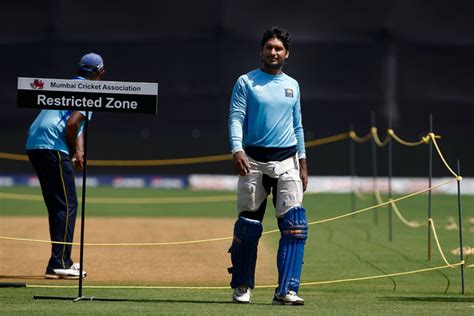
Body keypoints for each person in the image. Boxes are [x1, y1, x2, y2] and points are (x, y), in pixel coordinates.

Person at [227, 27, 308, 305]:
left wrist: (303, 160)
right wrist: (237, 148)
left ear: (287, 54)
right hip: (253, 160)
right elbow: (236, 117)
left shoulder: (292, 85)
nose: (273, 52)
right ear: (261, 50)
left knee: (296, 227)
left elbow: (297, 125)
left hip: (287, 160)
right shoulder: (246, 82)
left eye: (278, 49)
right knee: (248, 226)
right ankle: (241, 285)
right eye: (269, 47)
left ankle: (286, 290)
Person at [26, 52, 105, 279]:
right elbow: (71, 123)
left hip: (35, 143)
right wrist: (76, 151)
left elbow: (74, 125)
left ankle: (61, 260)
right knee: (67, 205)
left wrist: (78, 150)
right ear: (100, 74)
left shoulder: (66, 85)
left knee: (57, 206)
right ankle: (59, 263)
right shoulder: (90, 91)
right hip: (53, 146)